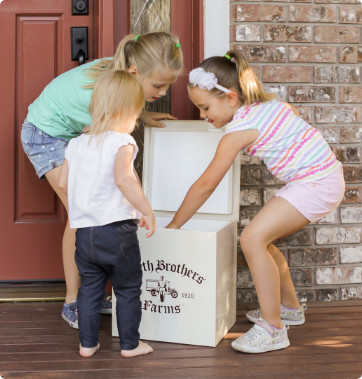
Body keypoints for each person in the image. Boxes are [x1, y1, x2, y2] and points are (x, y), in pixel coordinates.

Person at [166, 50, 345, 353]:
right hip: (320, 177)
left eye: (205, 107)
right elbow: (293, 114)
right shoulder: (269, 106)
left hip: (316, 183)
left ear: (231, 99)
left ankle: (273, 328)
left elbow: (205, 185)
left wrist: (173, 226)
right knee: (263, 241)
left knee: (251, 238)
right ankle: (288, 307)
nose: (202, 115)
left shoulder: (236, 134)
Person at [20, 32, 183, 329]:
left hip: (76, 130)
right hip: (47, 135)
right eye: (158, 85)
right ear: (134, 73)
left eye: (168, 85)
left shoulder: (122, 68)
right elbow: (105, 127)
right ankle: (73, 302)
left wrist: (143, 115)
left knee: (89, 212)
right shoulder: (96, 94)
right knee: (81, 214)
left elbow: (116, 110)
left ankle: (90, 294)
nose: (163, 91)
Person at [58, 69, 156, 358]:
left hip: (84, 233)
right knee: (126, 288)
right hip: (116, 232)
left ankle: (87, 345)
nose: (135, 121)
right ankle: (130, 345)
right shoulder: (121, 142)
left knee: (89, 289)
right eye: (136, 115)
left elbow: (63, 182)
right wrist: (145, 209)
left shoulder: (76, 144)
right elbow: (124, 179)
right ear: (125, 111)